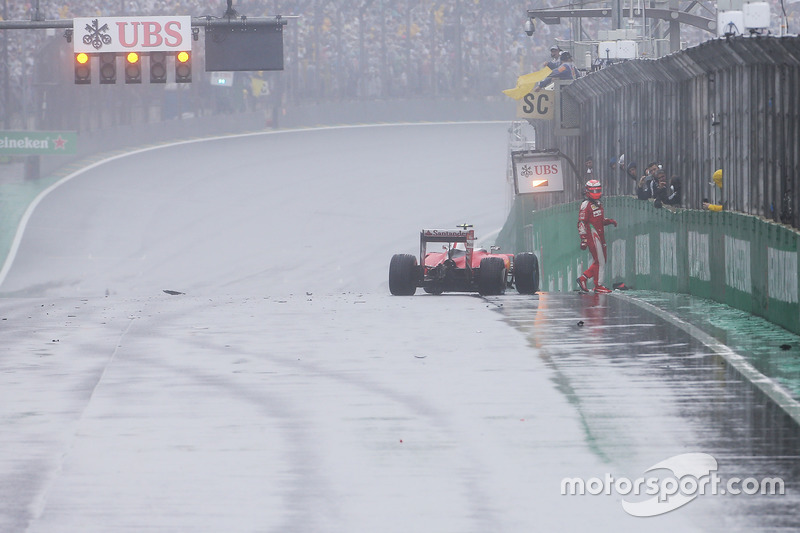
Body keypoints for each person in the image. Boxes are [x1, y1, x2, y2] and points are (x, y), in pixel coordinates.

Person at [577, 179, 617, 294]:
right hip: (592, 236)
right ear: (587, 191)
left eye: (598, 190)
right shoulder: (585, 204)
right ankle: (598, 285)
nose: (596, 192)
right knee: (600, 261)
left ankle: (583, 278)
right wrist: (583, 239)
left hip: (600, 235)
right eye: (593, 190)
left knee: (601, 260)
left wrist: (609, 221)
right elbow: (581, 222)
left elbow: (598, 220)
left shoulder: (598, 203)